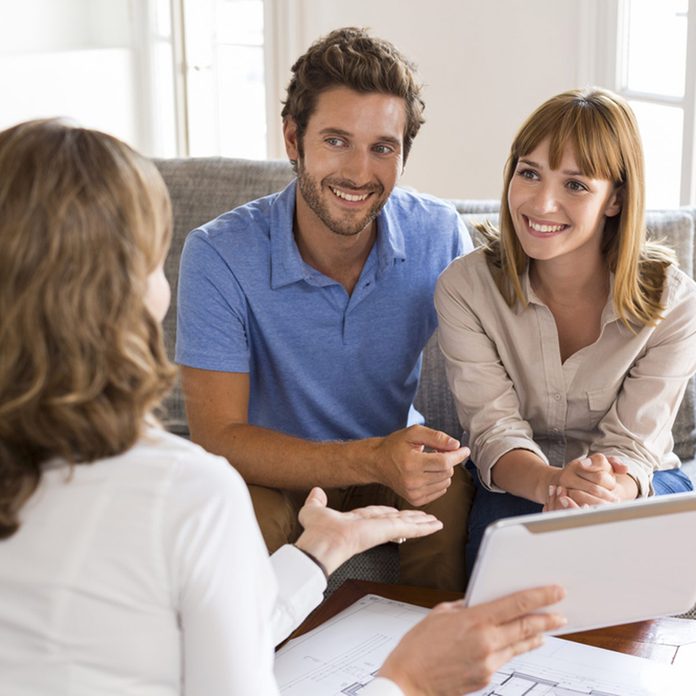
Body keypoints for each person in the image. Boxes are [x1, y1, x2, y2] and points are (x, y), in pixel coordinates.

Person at [0, 119, 566, 696]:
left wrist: (319, 553)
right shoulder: (188, 493)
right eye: (152, 260)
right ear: (128, 291)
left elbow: (221, 638)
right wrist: (408, 680)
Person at [176, 27, 475, 591]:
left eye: (382, 147)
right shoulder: (218, 253)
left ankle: (426, 667)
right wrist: (370, 459)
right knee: (244, 516)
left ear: (404, 154)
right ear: (293, 140)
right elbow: (217, 438)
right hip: (270, 474)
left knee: (451, 493)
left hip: (388, 462)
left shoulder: (438, 233)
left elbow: (490, 370)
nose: (360, 173)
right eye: (336, 140)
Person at [435, 87, 696, 570]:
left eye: (575, 185)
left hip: (637, 482)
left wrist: (599, 489)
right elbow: (494, 429)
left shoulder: (673, 303)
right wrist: (555, 485)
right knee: (510, 558)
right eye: (529, 173)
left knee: (639, 567)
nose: (542, 202)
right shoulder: (465, 288)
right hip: (521, 479)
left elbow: (634, 445)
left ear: (615, 199)